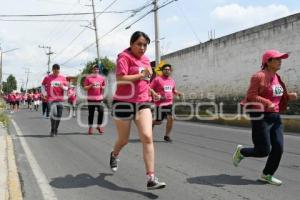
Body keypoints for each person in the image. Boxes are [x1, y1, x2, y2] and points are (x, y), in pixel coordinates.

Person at [110, 31, 166, 190]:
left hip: (142, 102)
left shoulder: (147, 59)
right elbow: (120, 79)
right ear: (131, 43)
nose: (142, 48)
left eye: (145, 45)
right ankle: (114, 155)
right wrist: (141, 75)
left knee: (147, 136)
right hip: (123, 102)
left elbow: (145, 82)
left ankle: (151, 178)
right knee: (123, 140)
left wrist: (152, 91)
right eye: (139, 44)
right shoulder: (124, 57)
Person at [233, 49, 298, 185]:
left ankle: (267, 174)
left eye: (281, 59)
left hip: (275, 115)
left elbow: (277, 95)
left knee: (279, 147)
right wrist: (267, 103)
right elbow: (251, 95)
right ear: (268, 62)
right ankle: (242, 151)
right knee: (263, 150)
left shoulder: (277, 77)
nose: (280, 61)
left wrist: (288, 96)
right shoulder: (258, 76)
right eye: (277, 59)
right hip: (260, 115)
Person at [150, 64, 183, 142]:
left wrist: (178, 93)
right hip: (159, 104)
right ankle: (150, 123)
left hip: (169, 103)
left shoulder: (172, 80)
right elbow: (150, 88)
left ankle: (167, 136)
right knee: (158, 122)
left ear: (170, 71)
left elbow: (173, 90)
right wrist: (155, 94)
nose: (167, 71)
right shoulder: (157, 79)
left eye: (168, 70)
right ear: (162, 70)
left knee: (171, 118)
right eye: (165, 69)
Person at [42, 64, 68, 137]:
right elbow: (43, 85)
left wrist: (62, 87)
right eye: (55, 69)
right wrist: (44, 93)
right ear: (52, 70)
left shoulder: (63, 78)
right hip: (51, 99)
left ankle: (55, 129)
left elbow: (66, 88)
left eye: (58, 69)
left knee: (59, 116)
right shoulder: (47, 77)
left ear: (59, 70)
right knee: (54, 114)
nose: (56, 70)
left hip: (60, 99)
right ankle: (52, 129)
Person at [83, 65, 106, 134]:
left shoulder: (102, 78)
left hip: (99, 98)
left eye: (97, 69)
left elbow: (104, 85)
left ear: (98, 70)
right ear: (92, 70)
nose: (96, 70)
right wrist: (91, 85)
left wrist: (103, 87)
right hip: (91, 99)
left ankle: (99, 126)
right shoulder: (88, 78)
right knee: (91, 113)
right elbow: (85, 88)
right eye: (94, 69)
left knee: (101, 111)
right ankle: (90, 128)